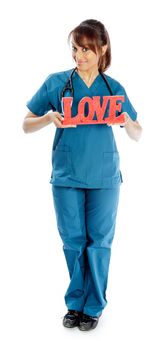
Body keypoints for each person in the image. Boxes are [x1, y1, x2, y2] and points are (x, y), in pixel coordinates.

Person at [23, 19, 142, 331]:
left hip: (104, 176)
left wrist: (127, 122)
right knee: (73, 242)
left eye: (86, 49)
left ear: (102, 48)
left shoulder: (112, 88)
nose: (79, 55)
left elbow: (137, 132)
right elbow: (26, 122)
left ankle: (94, 305)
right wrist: (49, 118)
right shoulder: (56, 83)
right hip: (67, 176)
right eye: (75, 49)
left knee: (99, 242)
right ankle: (75, 303)